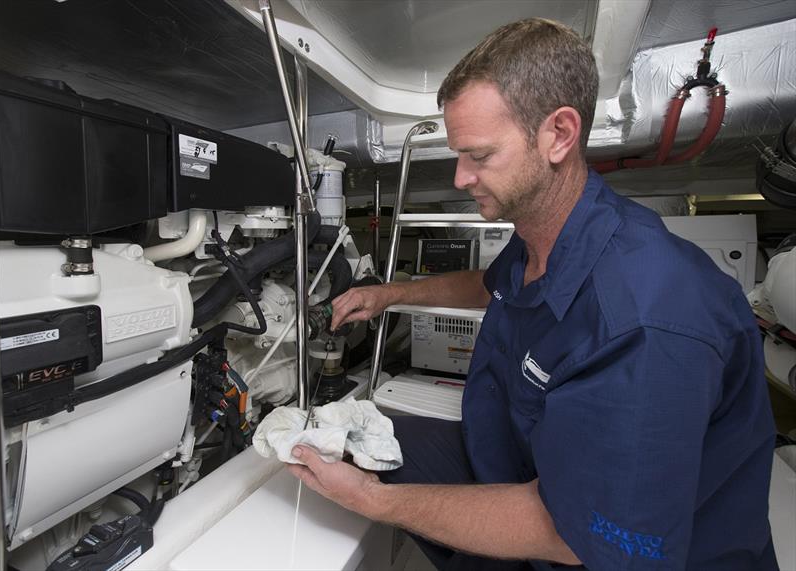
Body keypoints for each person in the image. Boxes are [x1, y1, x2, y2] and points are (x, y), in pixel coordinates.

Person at [287, 18, 778, 571]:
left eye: (479, 155)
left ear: (559, 135)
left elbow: (571, 534)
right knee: (350, 435)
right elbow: (493, 287)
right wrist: (390, 294)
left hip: (598, 544)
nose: (459, 177)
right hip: (518, 459)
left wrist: (372, 500)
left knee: (373, 488)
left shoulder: (647, 323)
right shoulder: (545, 233)